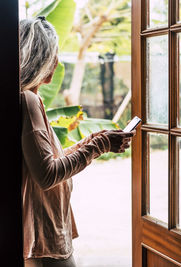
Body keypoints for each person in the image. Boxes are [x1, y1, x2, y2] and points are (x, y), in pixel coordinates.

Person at [20, 16, 135, 267]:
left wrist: (94, 140)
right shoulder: (27, 101)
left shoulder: (30, 99)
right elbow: (47, 174)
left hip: (47, 231)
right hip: (42, 238)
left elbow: (46, 160)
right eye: (53, 56)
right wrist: (100, 145)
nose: (57, 62)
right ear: (38, 60)